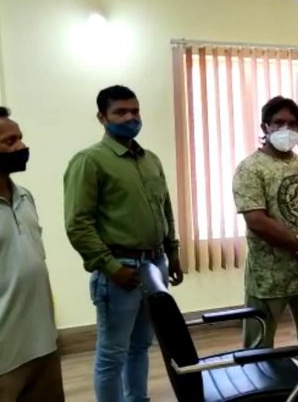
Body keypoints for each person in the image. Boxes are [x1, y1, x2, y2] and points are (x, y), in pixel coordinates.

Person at [64, 85, 183, 402]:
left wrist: (173, 252)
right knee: (112, 353)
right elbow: (78, 224)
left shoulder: (150, 160)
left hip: (155, 266)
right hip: (120, 270)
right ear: (102, 117)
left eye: (135, 111)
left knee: (141, 345)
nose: (131, 118)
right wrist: (111, 267)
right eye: (120, 112)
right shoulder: (90, 161)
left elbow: (165, 210)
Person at [233, 96, 298, 401]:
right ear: (265, 127)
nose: (286, 128)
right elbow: (256, 220)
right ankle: (257, 398)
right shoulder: (250, 168)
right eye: (279, 122)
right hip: (269, 278)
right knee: (258, 347)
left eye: (293, 124)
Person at [0, 107, 64, 402]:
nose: (21, 147)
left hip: (42, 348)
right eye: (9, 141)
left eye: (20, 138)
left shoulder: (25, 197)